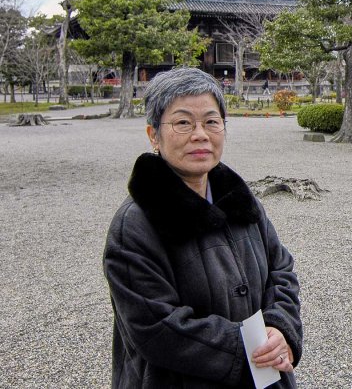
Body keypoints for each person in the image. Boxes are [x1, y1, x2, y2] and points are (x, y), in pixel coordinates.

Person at [103, 67, 302, 388]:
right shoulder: (135, 226)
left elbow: (281, 268)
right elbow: (155, 326)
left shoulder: (239, 200)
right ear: (153, 135)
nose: (200, 134)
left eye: (211, 121)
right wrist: (251, 348)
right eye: (183, 122)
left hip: (265, 376)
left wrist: (280, 328)